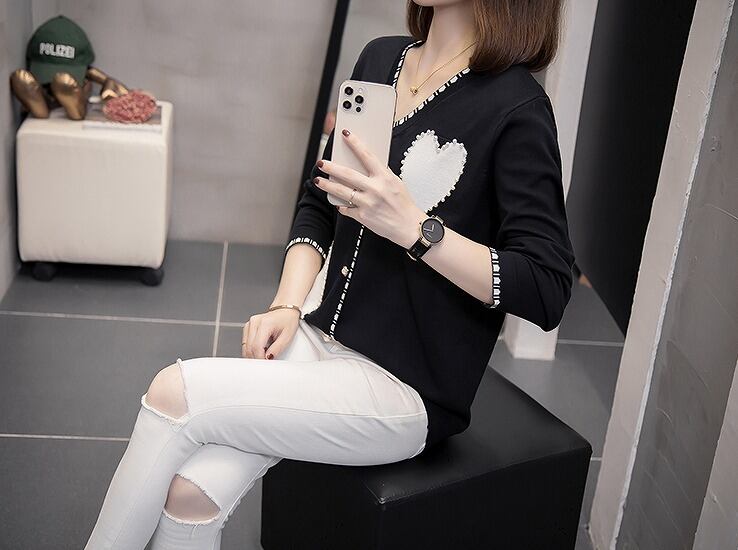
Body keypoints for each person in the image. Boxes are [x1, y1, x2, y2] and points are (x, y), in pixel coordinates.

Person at [84, 0, 573, 548]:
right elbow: (319, 201)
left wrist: (417, 230)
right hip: (317, 338)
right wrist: (286, 304)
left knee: (173, 393)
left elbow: (546, 286)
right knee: (190, 493)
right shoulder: (380, 60)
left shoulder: (517, 107)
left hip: (403, 390)